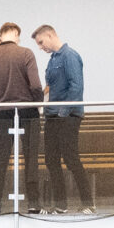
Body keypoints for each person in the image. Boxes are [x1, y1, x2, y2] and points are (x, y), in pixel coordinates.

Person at [0, 24, 45, 213]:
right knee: (31, 159)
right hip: (28, 112)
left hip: (3, 114)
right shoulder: (26, 54)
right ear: (16, 34)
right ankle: (33, 203)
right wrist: (37, 104)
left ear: (1, 36)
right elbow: (36, 86)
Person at [32, 25, 92, 213]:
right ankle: (61, 204)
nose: (40, 47)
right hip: (52, 116)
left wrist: (63, 113)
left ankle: (88, 203)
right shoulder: (52, 60)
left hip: (68, 116)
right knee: (51, 160)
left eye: (41, 42)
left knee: (71, 158)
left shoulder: (70, 56)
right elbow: (50, 87)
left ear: (50, 35)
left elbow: (76, 87)